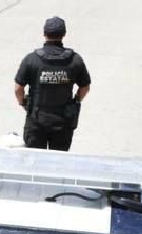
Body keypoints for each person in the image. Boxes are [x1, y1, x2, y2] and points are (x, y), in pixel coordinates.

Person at [13, 16, 91, 151]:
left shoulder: (32, 59)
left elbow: (18, 89)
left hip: (36, 122)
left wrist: (24, 103)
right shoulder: (75, 60)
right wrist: (76, 100)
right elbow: (85, 87)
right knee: (58, 164)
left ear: (44, 34)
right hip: (63, 123)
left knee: (34, 163)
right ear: (64, 35)